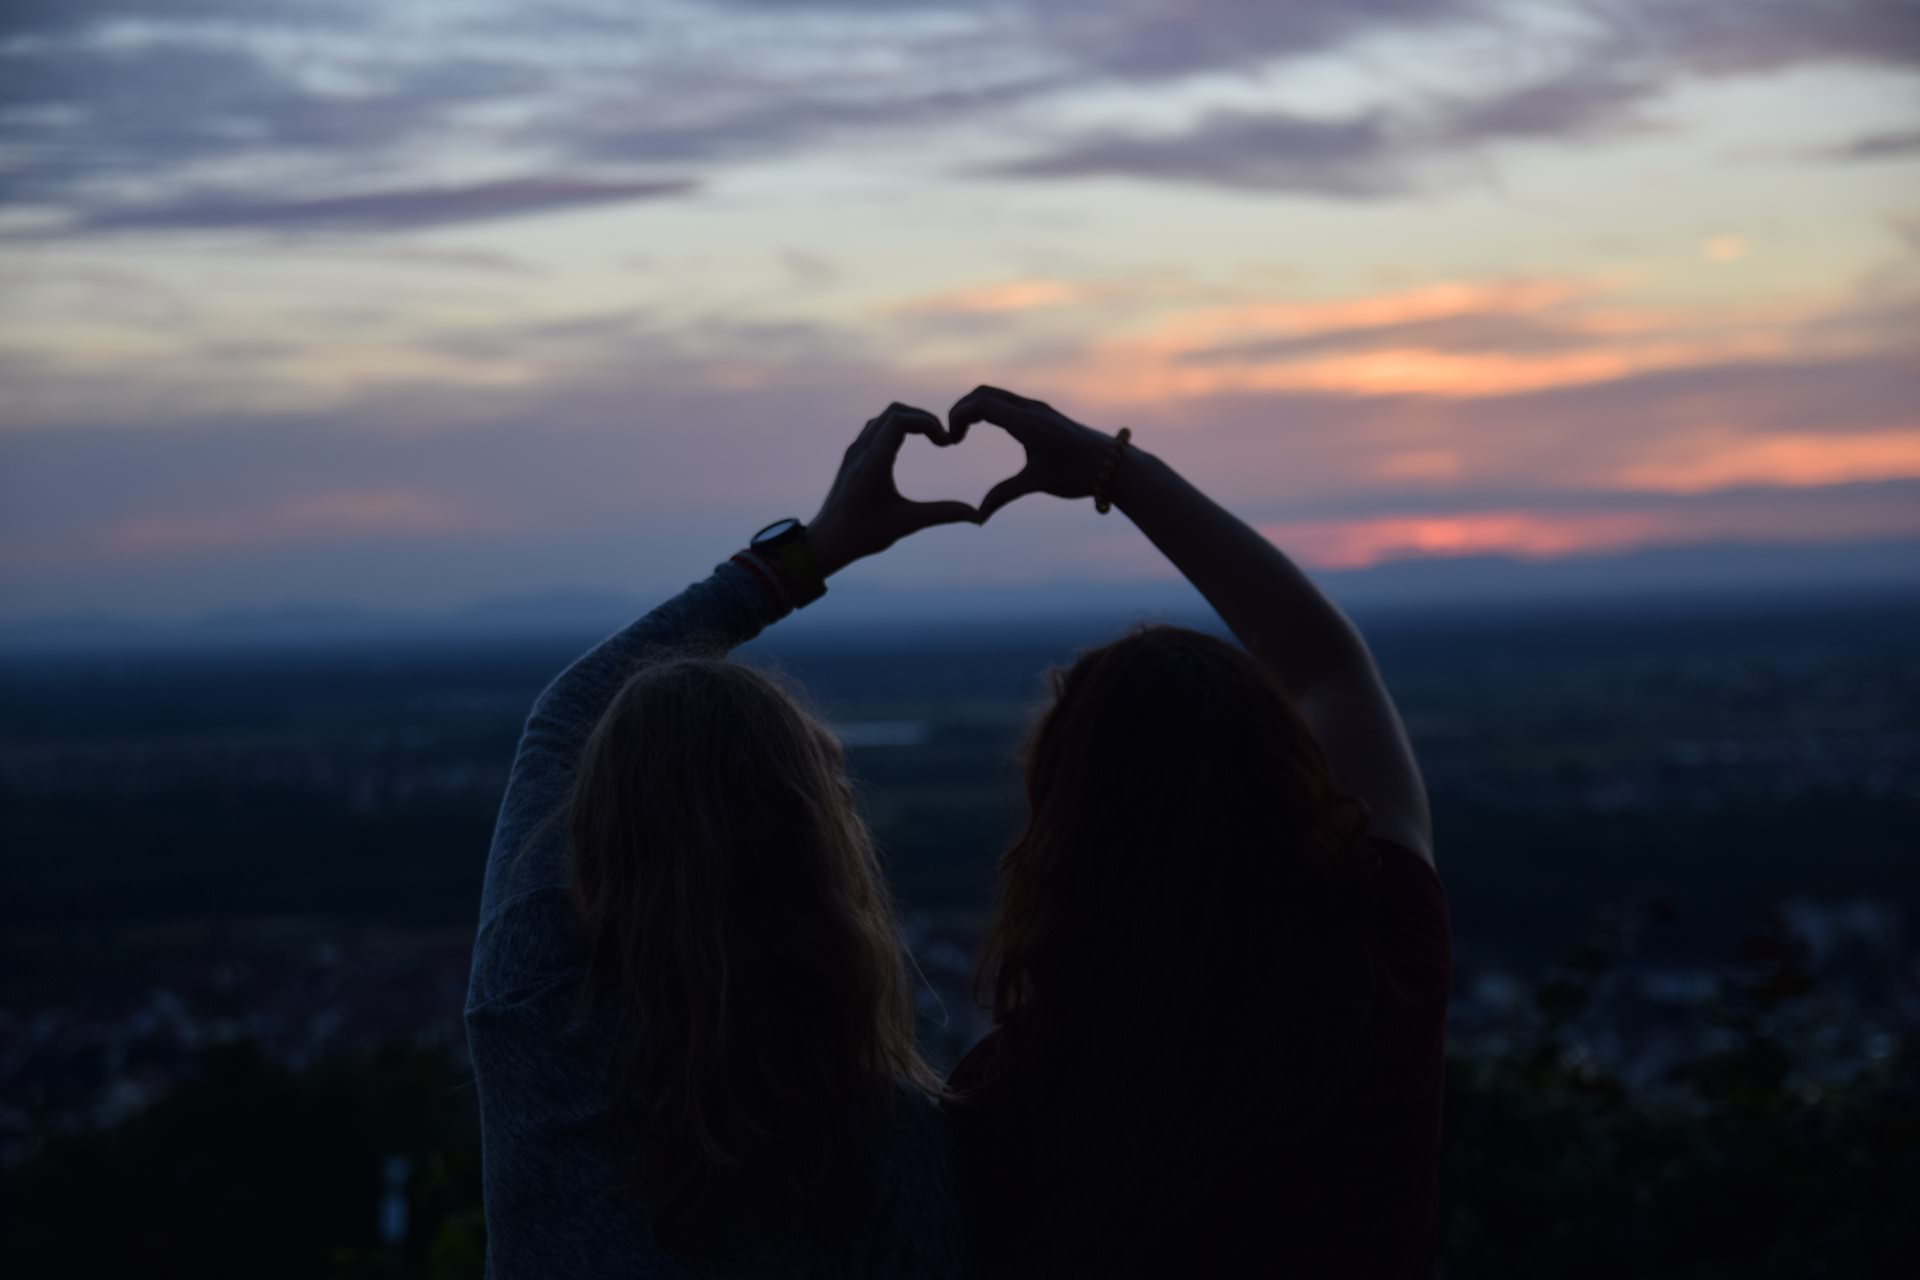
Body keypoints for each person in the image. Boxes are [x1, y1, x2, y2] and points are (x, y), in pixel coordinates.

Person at [940, 387, 1451, 1278]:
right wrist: (1115, 470)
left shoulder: (1005, 1099)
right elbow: (1325, 658)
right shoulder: (1383, 960)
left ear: (1065, 835)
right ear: (1289, 773)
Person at [464, 405, 979, 1277]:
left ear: (598, 832)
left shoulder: (532, 1013)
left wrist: (814, 549)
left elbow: (566, 715)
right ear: (822, 858)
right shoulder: (899, 1148)